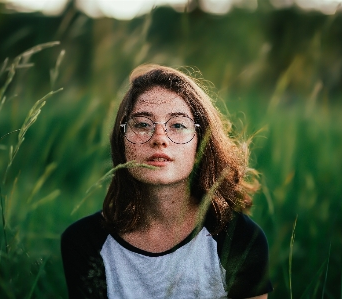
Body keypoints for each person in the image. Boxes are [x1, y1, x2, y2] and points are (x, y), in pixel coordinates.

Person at [61, 64, 273, 299]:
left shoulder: (239, 237)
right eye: (142, 124)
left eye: (178, 125)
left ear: (201, 143)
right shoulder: (84, 242)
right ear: (122, 141)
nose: (160, 138)